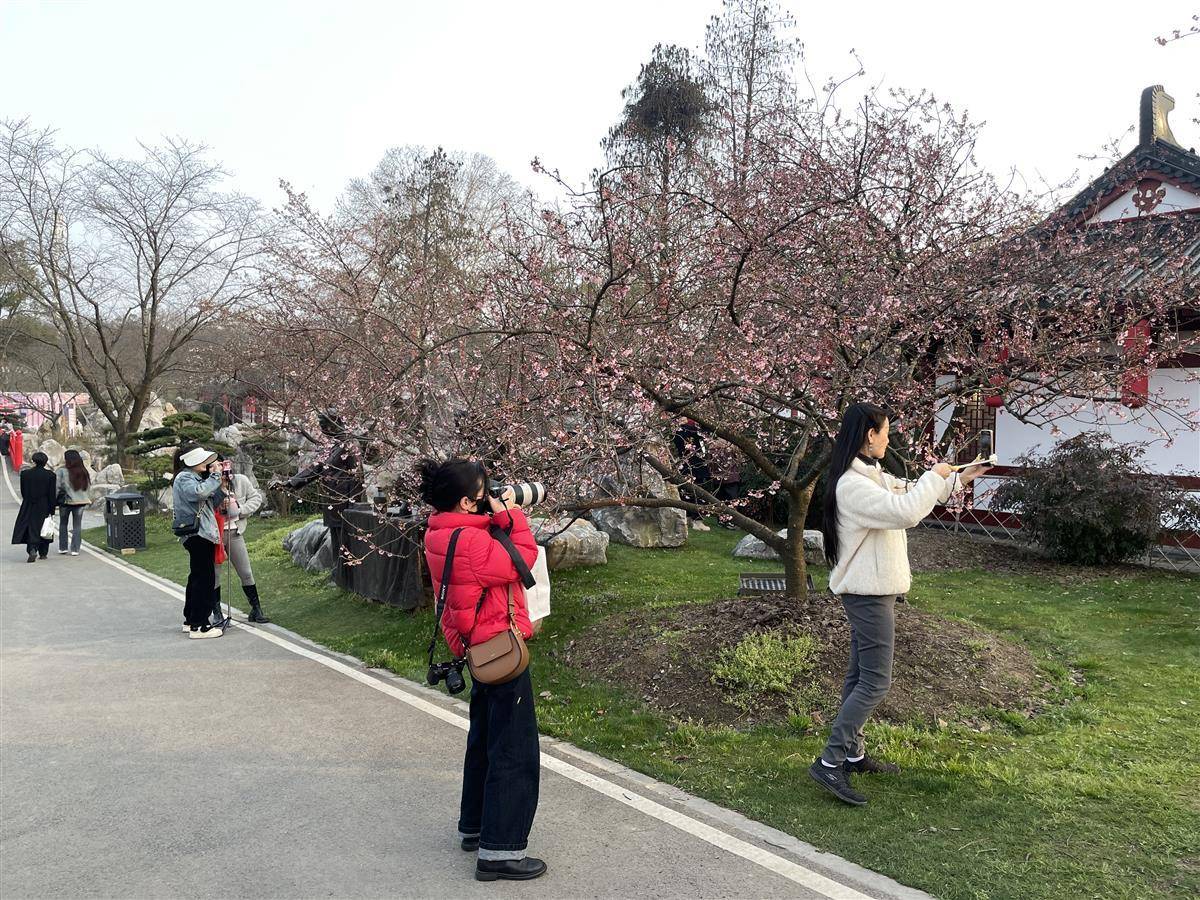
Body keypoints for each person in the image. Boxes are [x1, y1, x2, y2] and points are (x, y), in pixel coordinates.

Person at [809, 403, 990, 806]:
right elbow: (905, 512)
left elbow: (905, 492)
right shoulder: (851, 486)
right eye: (886, 431)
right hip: (867, 593)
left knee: (859, 677)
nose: (889, 438)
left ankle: (851, 753)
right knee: (876, 681)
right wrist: (934, 475)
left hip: (873, 590)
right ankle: (829, 761)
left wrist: (957, 479)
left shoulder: (868, 475)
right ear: (869, 435)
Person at [420, 457, 546, 882]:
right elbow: (523, 560)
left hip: (475, 648)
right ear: (465, 502)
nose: (488, 495)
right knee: (514, 751)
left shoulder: (441, 531)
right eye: (481, 492)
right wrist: (511, 514)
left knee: (485, 741)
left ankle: (475, 827)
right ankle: (501, 852)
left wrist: (490, 516)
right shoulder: (473, 543)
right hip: (500, 651)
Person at [172, 445, 226, 639]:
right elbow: (198, 494)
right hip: (198, 534)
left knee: (197, 577)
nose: (208, 463)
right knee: (205, 579)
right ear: (193, 462)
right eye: (204, 460)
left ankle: (190, 620)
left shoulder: (195, 478)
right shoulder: (185, 478)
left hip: (202, 534)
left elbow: (213, 500)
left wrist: (221, 483)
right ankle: (200, 625)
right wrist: (215, 477)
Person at [213, 455, 270, 624]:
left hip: (234, 532)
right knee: (215, 574)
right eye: (214, 466)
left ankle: (256, 609)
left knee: (245, 572)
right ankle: (217, 612)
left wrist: (241, 509)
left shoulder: (240, 481)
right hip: (214, 534)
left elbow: (256, 497)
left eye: (220, 465)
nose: (220, 469)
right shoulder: (209, 484)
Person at [11, 451, 56, 562]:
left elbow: (23, 491)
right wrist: (52, 509)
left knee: (30, 526)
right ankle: (43, 552)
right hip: (44, 504)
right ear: (45, 462)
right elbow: (52, 494)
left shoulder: (25, 474)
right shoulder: (50, 475)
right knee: (44, 528)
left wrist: (28, 499)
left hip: (29, 503)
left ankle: (32, 549)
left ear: (33, 460)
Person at [672, 419, 712, 531]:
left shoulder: (683, 431)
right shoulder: (687, 431)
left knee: (688, 492)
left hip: (689, 464)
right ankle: (696, 520)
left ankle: (690, 517)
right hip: (693, 464)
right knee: (696, 492)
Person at [56, 449, 91, 556]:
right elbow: (88, 487)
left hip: (66, 501)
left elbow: (57, 487)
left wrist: (54, 500)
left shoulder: (61, 471)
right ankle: (75, 549)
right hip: (81, 501)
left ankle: (63, 548)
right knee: (77, 526)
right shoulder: (84, 471)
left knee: (63, 524)